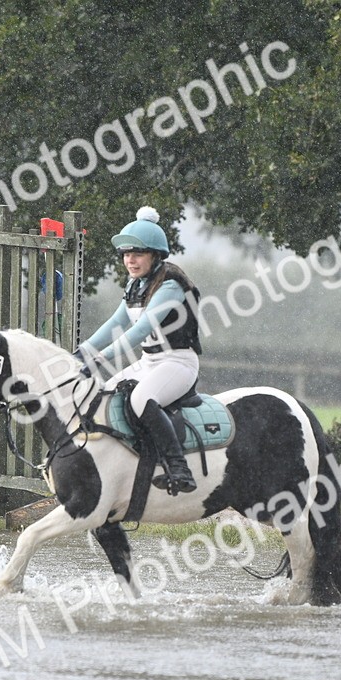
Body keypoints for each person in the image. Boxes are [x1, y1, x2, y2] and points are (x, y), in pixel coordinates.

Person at [74, 206, 202, 494]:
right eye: (126, 254)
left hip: (178, 363)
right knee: (103, 397)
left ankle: (179, 470)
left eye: (137, 254)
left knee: (141, 399)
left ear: (155, 255)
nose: (129, 259)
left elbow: (140, 330)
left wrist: (102, 358)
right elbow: (115, 322)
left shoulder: (170, 284)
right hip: (150, 361)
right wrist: (81, 353)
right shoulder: (136, 284)